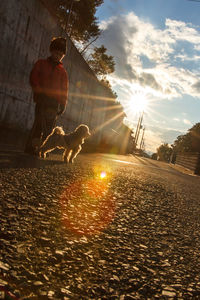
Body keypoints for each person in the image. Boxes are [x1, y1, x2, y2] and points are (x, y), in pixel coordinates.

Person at [25, 37, 69, 156]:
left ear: (63, 56)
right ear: (51, 51)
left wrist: (63, 104)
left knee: (49, 129)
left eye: (60, 54)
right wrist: (38, 91)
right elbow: (33, 77)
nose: (58, 56)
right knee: (38, 124)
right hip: (42, 99)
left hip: (54, 103)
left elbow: (64, 89)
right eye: (56, 53)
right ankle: (31, 147)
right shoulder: (41, 63)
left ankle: (43, 149)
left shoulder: (63, 72)